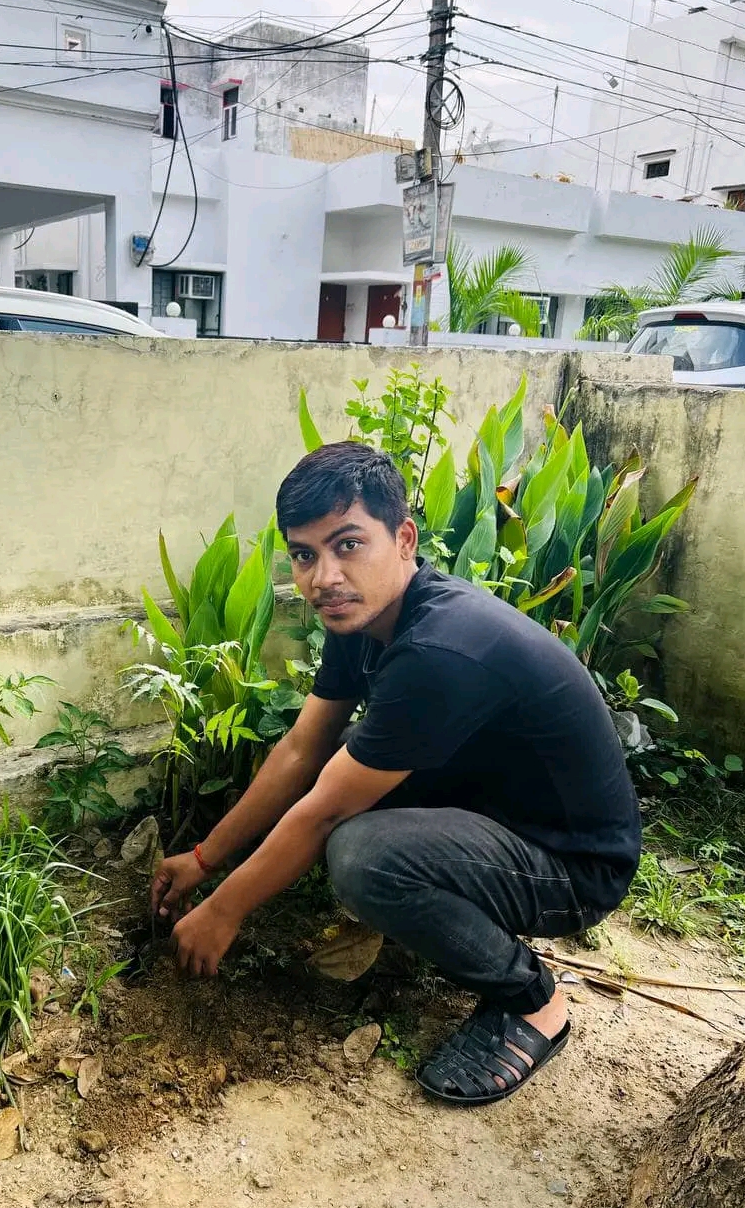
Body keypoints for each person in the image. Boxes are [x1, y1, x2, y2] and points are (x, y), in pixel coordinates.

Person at [151, 442, 641, 1106]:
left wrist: (223, 912)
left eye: (347, 544)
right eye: (304, 554)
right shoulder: (364, 616)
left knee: (363, 856)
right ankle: (441, 910)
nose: (323, 576)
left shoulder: (437, 649)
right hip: (496, 810)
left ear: (404, 538)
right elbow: (303, 748)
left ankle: (532, 1003)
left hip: (575, 866)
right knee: (345, 755)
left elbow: (323, 812)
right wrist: (206, 859)